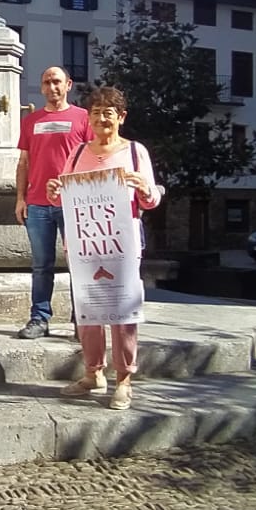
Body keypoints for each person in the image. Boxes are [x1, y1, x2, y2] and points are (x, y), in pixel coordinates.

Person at [44, 86, 163, 410]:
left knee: (122, 312)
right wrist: (54, 193)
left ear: (121, 117)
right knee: (89, 311)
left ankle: (123, 379)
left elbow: (151, 200)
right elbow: (63, 197)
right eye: (95, 113)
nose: (101, 119)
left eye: (108, 113)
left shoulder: (135, 152)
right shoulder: (78, 152)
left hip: (122, 243)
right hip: (85, 243)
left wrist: (144, 188)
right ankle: (93, 373)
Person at [14, 66, 91, 339]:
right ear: (42, 87)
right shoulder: (30, 121)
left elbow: (94, 157)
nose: (52, 86)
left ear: (68, 85)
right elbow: (23, 163)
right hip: (37, 204)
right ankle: (39, 318)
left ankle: (83, 319)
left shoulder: (83, 118)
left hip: (74, 203)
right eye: (47, 82)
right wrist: (20, 199)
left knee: (79, 263)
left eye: (57, 81)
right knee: (41, 265)